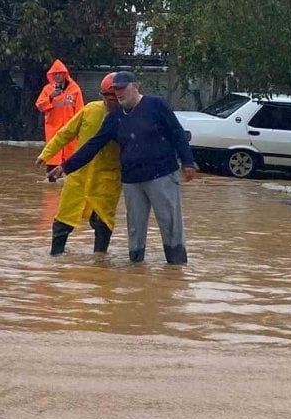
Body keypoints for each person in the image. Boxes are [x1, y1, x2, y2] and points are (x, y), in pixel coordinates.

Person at [49, 71, 196, 265]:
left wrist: (187, 162)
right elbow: (93, 145)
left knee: (170, 223)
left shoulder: (156, 105)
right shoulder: (115, 117)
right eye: (115, 89)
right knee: (135, 228)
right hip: (131, 180)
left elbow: (177, 133)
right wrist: (65, 167)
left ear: (136, 86)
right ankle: (136, 269)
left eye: (122, 88)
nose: (118, 93)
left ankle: (176, 267)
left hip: (161, 175)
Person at [35, 73, 122, 255]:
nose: (111, 102)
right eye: (108, 97)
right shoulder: (90, 110)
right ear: (102, 96)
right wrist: (47, 154)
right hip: (79, 175)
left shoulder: (127, 117)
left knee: (103, 222)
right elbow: (65, 133)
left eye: (116, 98)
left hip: (107, 179)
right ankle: (55, 257)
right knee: (63, 220)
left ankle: (100, 262)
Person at [35, 59, 84, 180]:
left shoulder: (75, 89)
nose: (57, 76)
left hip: (70, 132)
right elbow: (40, 106)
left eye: (60, 73)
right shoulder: (47, 90)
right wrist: (50, 98)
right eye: (55, 74)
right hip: (53, 131)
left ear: (65, 74)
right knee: (52, 161)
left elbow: (80, 110)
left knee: (70, 165)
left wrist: (80, 129)